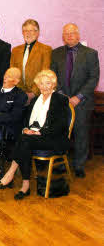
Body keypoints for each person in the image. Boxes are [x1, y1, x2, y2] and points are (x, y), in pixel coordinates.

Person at [0, 70, 70, 200]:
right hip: (32, 137)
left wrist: (39, 132)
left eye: (48, 83)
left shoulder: (61, 99)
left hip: (53, 138)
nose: (44, 86)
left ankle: (13, 175)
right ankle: (24, 184)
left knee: (24, 141)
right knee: (24, 140)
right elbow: (25, 119)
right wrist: (25, 129)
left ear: (53, 85)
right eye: (41, 83)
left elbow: (61, 125)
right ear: (37, 85)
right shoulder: (35, 100)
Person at [50, 23, 100, 178]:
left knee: (81, 133)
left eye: (72, 33)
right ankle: (61, 163)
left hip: (82, 102)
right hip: (62, 101)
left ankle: (79, 165)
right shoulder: (56, 53)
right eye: (66, 34)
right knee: (61, 132)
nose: (69, 36)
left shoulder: (91, 53)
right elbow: (52, 76)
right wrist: (63, 96)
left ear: (78, 35)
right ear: (63, 37)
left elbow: (93, 78)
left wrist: (78, 97)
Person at [10, 19, 52, 104]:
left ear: (37, 33)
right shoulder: (15, 50)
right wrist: (21, 93)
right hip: (19, 95)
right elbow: (13, 73)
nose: (28, 33)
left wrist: (32, 93)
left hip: (38, 95)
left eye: (31, 30)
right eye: (25, 31)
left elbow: (45, 73)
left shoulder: (46, 50)